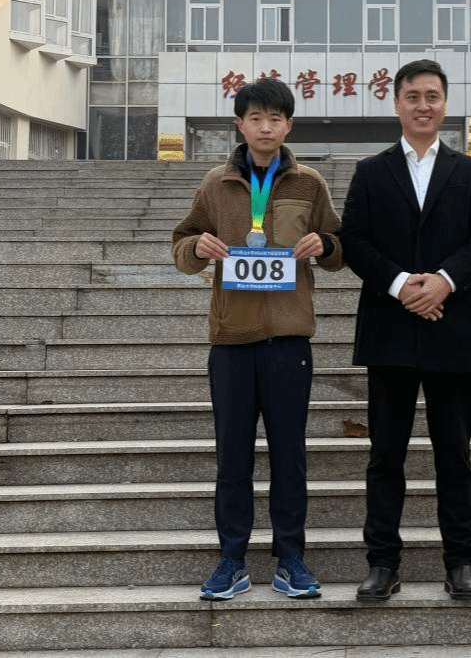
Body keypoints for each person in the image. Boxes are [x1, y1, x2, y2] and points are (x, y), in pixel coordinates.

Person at [171, 77, 344, 601]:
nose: (265, 127)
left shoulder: (309, 183)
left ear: (289, 125)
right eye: (255, 118)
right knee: (233, 457)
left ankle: (291, 557)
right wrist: (197, 249)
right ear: (240, 125)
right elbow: (181, 243)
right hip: (231, 339)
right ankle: (232, 559)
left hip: (289, 340)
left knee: (290, 455)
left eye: (275, 118)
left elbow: (340, 248)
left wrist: (325, 245)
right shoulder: (216, 184)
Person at [340, 58, 471, 602]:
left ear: (445, 104)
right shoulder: (371, 171)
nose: (423, 105)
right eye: (413, 96)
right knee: (385, 456)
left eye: (432, 96)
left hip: (450, 329)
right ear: (396, 104)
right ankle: (382, 564)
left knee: (454, 455)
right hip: (389, 330)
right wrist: (402, 284)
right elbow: (354, 239)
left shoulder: (469, 171)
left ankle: (461, 563)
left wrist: (444, 282)